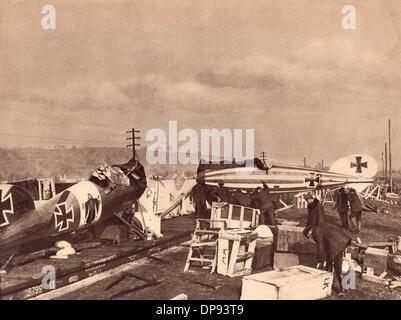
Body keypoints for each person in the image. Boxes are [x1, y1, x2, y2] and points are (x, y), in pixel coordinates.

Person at [303, 192, 351, 296]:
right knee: (330, 265)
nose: (310, 238)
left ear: (309, 231)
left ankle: (343, 289)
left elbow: (320, 246)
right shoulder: (318, 228)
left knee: (338, 266)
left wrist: (320, 260)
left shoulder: (316, 231)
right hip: (338, 241)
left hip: (337, 244)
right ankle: (329, 286)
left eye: (309, 236)